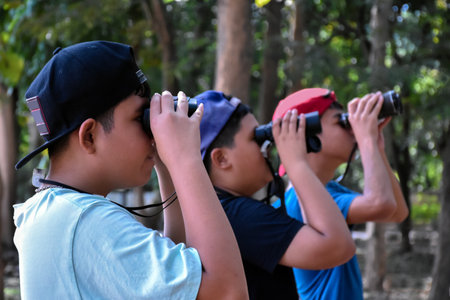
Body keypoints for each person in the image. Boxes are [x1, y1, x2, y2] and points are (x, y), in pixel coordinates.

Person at [13, 41, 248, 299]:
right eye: (141, 118)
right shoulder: (86, 220)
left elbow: (178, 283)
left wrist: (167, 168)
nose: (153, 131)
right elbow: (229, 291)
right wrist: (185, 158)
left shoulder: (49, 213)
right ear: (89, 136)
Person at [195, 90, 356, 299]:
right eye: (256, 138)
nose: (268, 146)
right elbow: (338, 248)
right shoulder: (237, 216)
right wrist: (297, 163)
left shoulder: (214, 213)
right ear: (222, 159)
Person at [272, 88, 409, 300]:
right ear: (306, 137)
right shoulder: (300, 200)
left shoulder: (329, 192)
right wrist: (366, 140)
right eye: (342, 122)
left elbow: (396, 212)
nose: (353, 129)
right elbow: (381, 203)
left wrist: (376, 146)